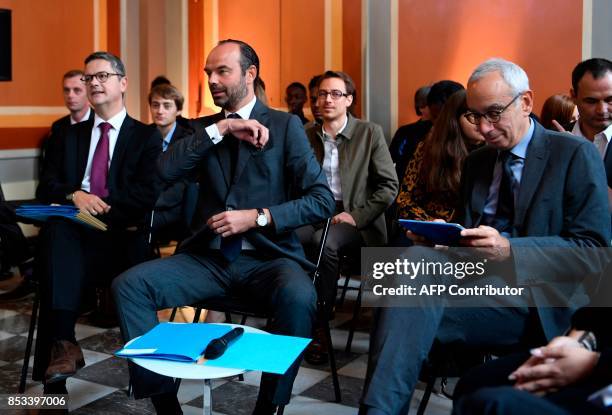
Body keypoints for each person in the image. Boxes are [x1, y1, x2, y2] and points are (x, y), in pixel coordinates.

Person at [359, 58, 610, 415]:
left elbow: (594, 252)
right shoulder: (478, 161)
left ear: (525, 102)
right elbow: (468, 234)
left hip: (540, 298)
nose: (484, 128)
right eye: (475, 116)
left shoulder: (573, 154)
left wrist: (510, 250)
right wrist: (443, 240)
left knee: (398, 298)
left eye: (494, 113)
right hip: (477, 284)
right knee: (408, 275)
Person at [112, 39, 335, 415]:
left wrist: (258, 216)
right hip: (208, 260)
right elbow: (163, 173)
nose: (212, 80)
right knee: (129, 286)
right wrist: (223, 129)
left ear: (250, 74)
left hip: (270, 260)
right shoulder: (202, 130)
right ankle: (166, 406)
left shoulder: (285, 126)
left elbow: (321, 200)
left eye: (222, 71)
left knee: (300, 299)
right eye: (208, 73)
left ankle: (269, 407)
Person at [34, 51, 162, 394]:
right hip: (75, 235)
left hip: (122, 237)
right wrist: (76, 195)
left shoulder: (145, 136)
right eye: (89, 78)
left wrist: (98, 208)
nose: (94, 83)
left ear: (122, 83)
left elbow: (144, 197)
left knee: (54, 256)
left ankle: (152, 384)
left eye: (102, 76)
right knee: (57, 231)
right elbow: (46, 186)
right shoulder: (68, 135)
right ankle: (64, 347)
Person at [299, 70, 398, 364]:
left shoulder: (369, 133)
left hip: (355, 219)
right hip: (314, 212)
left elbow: (389, 186)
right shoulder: (306, 134)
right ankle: (293, 312)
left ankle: (319, 325)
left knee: (324, 243)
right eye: (321, 94)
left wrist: (356, 216)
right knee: (284, 236)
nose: (327, 99)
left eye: (335, 94)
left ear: (349, 100)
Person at [452, 261, 612, 415]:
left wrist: (594, 363)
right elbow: (597, 314)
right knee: (478, 381)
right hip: (591, 355)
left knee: (493, 404)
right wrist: (574, 343)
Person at [395, 89, 484, 225]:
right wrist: (433, 224)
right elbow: (405, 200)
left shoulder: (495, 151)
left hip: (476, 232)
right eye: (474, 116)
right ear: (455, 118)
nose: (482, 123)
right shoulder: (430, 148)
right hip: (433, 226)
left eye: (487, 115)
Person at [148, 83, 194, 240]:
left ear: (178, 110)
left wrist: (153, 203)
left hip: (175, 207)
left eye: (167, 106)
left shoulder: (187, 140)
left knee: (141, 225)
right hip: (147, 203)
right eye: (155, 105)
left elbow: (183, 184)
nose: (160, 111)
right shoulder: (143, 136)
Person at [40, 69, 94, 174]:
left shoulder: (101, 124)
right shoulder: (58, 126)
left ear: (88, 92)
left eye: (77, 90)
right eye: (66, 90)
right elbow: (50, 170)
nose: (70, 95)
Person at [389, 85, 432, 176]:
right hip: (405, 183)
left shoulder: (443, 131)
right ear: (421, 107)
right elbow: (391, 159)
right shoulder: (404, 132)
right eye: (431, 104)